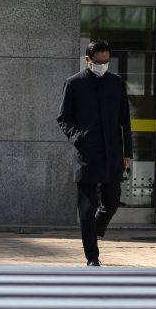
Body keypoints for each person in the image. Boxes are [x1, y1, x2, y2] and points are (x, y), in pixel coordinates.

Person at [57, 40, 133, 267]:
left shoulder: (116, 84)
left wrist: (127, 152)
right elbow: (63, 118)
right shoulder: (74, 83)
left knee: (112, 202)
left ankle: (96, 228)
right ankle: (92, 256)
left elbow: (124, 121)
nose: (102, 65)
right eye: (98, 62)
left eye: (106, 61)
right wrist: (78, 137)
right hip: (86, 155)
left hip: (112, 153)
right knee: (87, 208)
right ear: (87, 60)